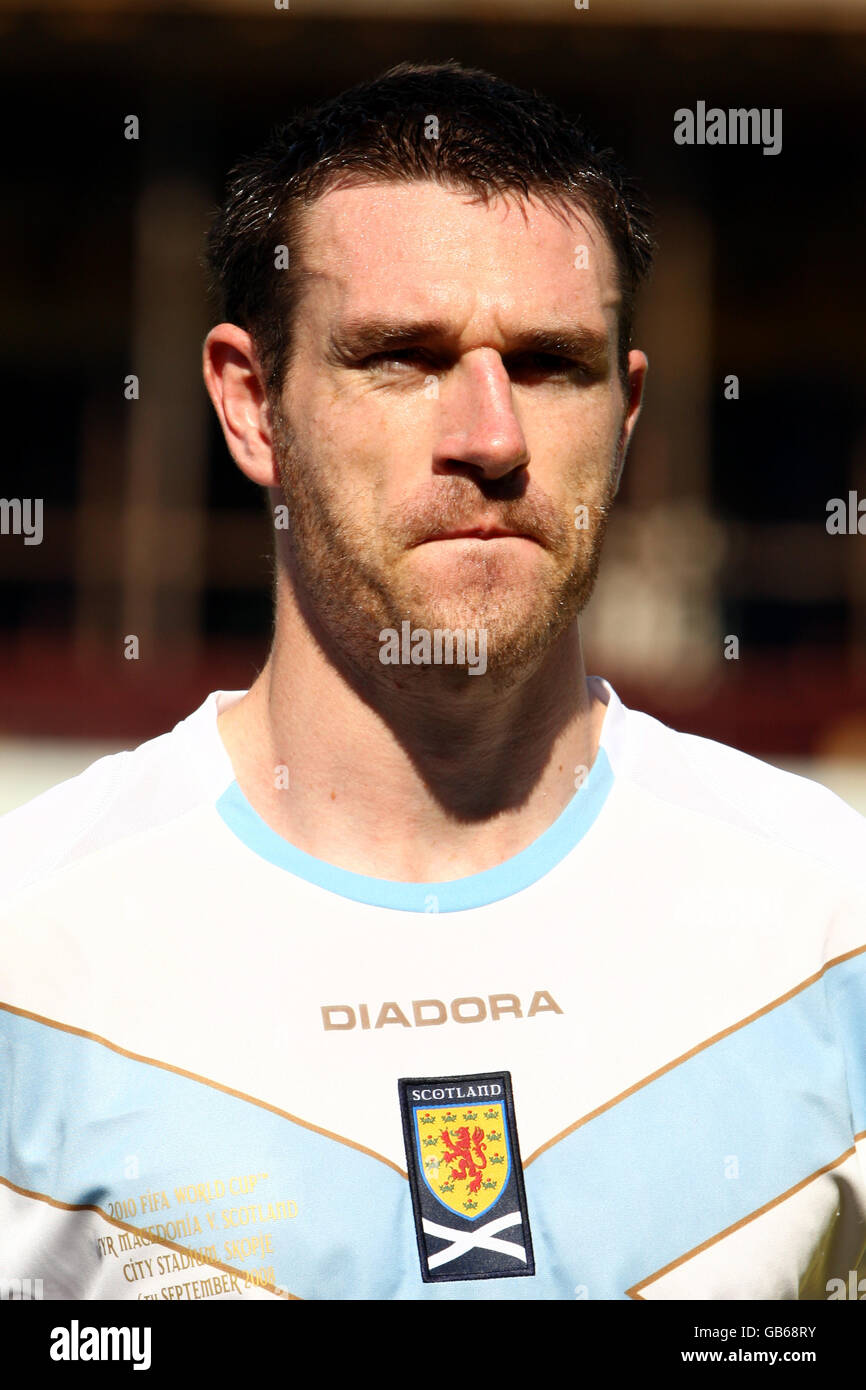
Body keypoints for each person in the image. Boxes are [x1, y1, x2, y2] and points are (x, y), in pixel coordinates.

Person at [1, 61, 864, 1303]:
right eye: (400, 357)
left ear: (623, 416)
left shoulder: (824, 928)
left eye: (550, 363)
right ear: (252, 408)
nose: (491, 437)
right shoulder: (33, 960)